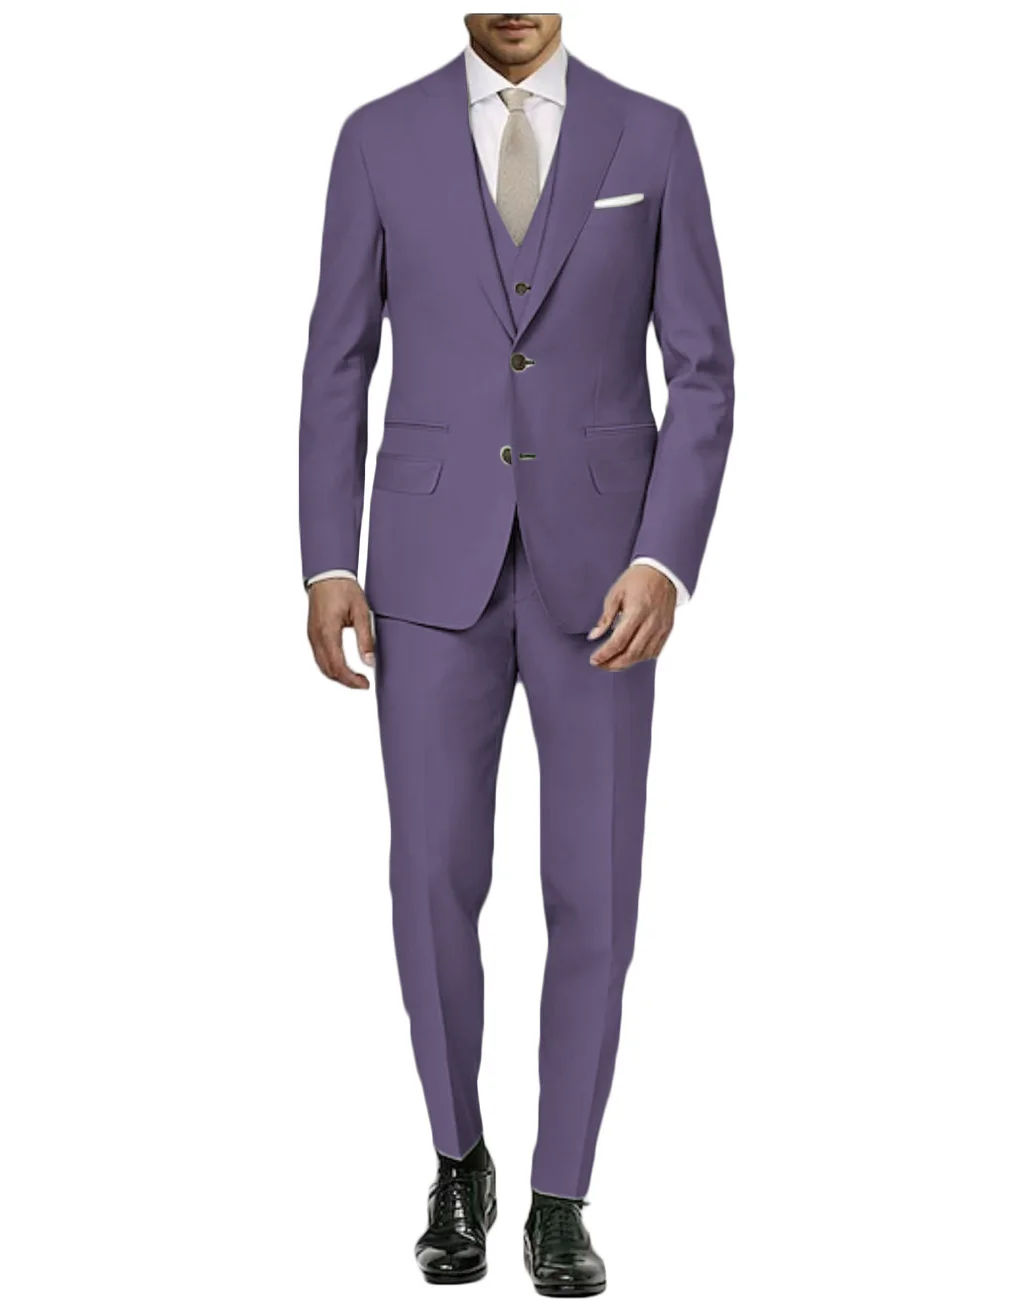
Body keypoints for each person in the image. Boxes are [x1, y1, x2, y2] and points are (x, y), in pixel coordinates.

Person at [299, 12, 734, 1296]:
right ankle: (457, 1159)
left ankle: (560, 1193)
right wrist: (327, 558)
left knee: (592, 885)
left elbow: (703, 370)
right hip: (423, 569)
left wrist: (664, 556)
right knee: (429, 877)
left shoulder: (653, 137)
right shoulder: (375, 139)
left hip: (604, 576)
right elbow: (337, 360)